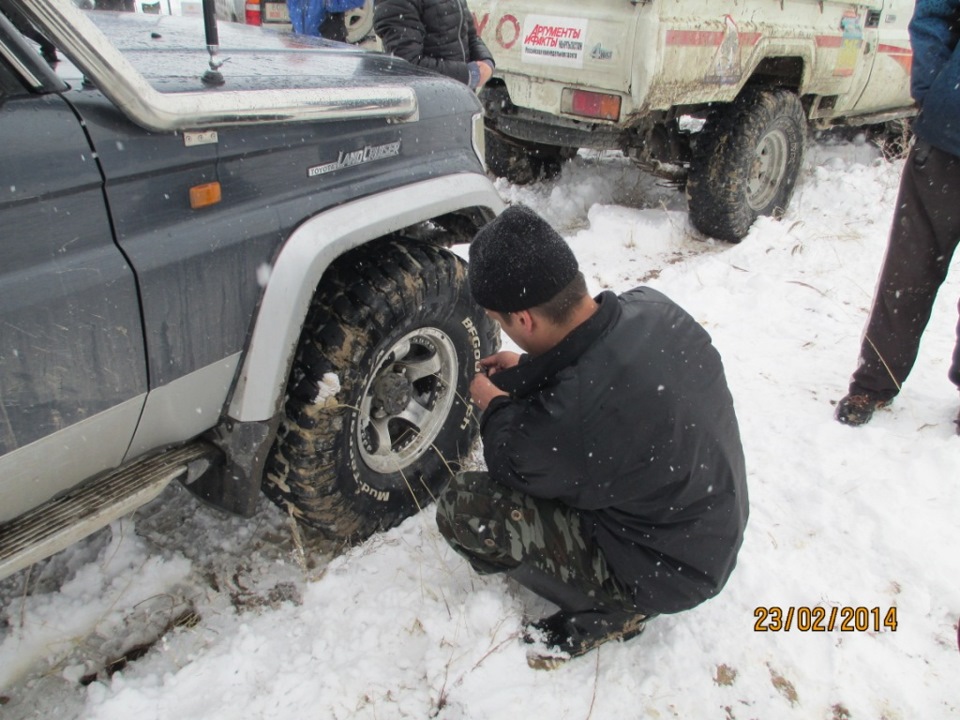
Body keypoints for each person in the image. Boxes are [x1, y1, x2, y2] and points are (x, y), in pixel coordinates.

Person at [436, 205, 749, 667]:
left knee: (465, 508)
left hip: (665, 572)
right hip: (707, 530)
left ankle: (615, 608)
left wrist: (493, 403)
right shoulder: (655, 307)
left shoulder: (573, 418)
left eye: (501, 321)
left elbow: (512, 457)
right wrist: (526, 369)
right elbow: (596, 370)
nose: (505, 331)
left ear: (523, 320)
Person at [835, 0, 960, 431]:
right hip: (949, 137)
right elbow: (933, 15)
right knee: (910, 268)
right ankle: (875, 380)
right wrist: (936, 89)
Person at [373, 0, 494, 90]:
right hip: (428, 107)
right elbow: (407, 64)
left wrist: (485, 61)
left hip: (459, 99)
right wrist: (466, 74)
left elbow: (469, 34)